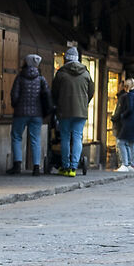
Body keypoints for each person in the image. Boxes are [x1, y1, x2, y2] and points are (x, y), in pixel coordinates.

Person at [52, 45, 95, 175]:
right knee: (77, 137)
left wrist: (58, 103)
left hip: (64, 111)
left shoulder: (61, 73)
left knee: (65, 138)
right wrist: (83, 103)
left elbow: (54, 92)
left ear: (66, 59)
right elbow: (91, 92)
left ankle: (65, 166)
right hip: (80, 112)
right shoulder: (86, 73)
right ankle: (73, 167)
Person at [8, 52, 51, 174]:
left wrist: (15, 105)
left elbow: (14, 95)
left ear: (26, 63)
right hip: (37, 114)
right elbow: (47, 95)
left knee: (16, 136)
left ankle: (17, 165)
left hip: (21, 113)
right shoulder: (41, 79)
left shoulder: (20, 77)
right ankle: (36, 167)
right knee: (35, 139)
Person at [113, 78, 134, 172]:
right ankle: (133, 165)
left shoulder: (130, 95)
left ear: (128, 86)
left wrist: (122, 115)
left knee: (121, 142)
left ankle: (125, 164)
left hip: (128, 122)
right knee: (132, 143)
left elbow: (129, 108)